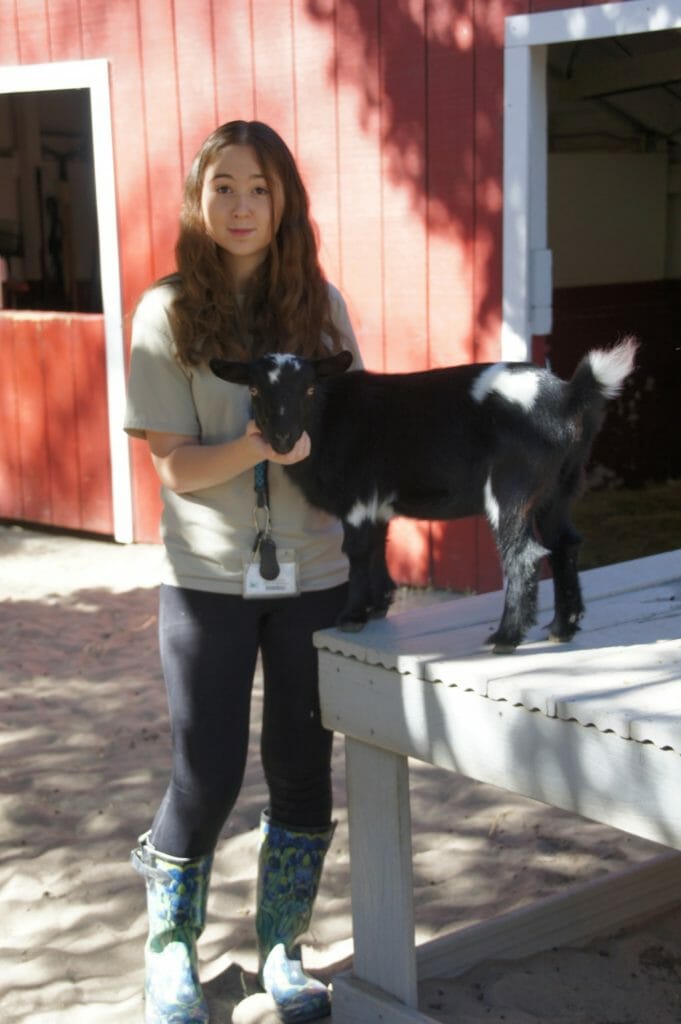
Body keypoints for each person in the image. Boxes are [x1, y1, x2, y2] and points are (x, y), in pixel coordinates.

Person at [124, 120, 362, 1024]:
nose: (240, 205)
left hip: (314, 577)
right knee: (207, 775)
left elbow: (351, 434)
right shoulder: (168, 312)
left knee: (303, 770)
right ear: (199, 198)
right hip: (207, 582)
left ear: (284, 201)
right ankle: (172, 952)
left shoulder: (323, 307)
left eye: (258, 187)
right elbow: (176, 465)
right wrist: (259, 444)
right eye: (222, 185)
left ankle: (281, 949)